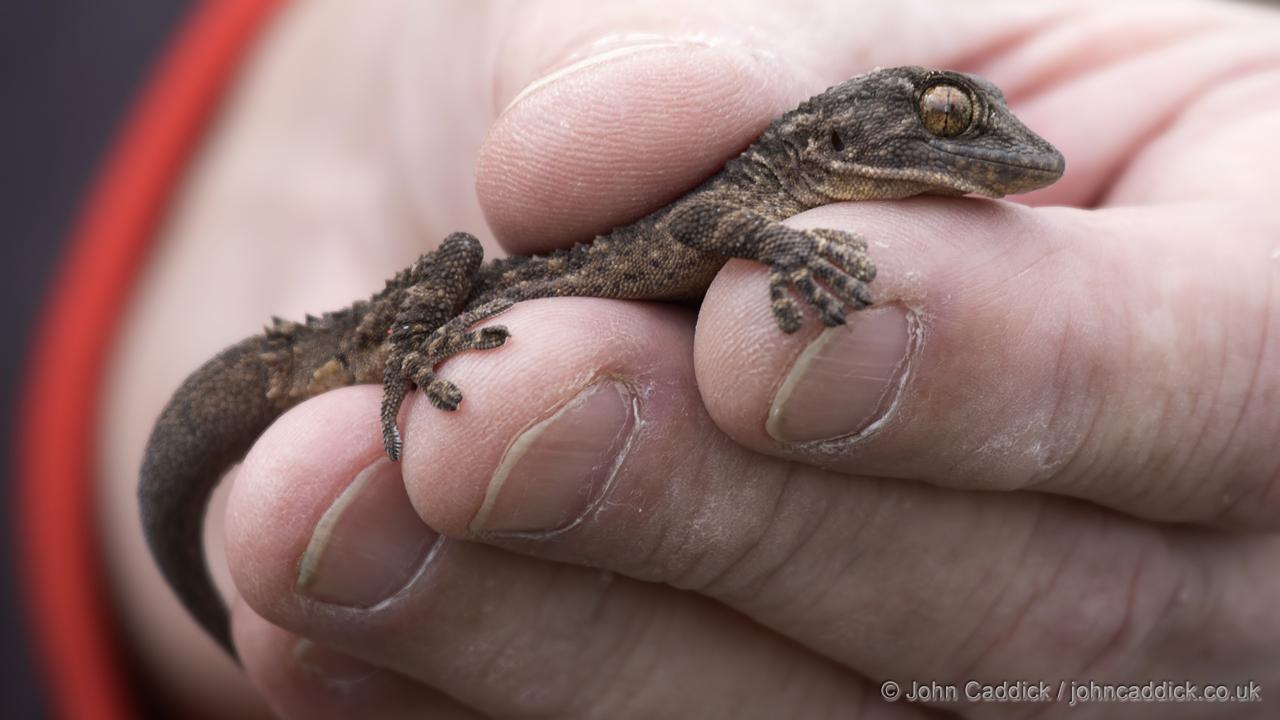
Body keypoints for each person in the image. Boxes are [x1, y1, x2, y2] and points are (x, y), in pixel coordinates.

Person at [24, 0, 1280, 717]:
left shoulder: (801, 201)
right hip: (396, 326)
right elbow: (687, 232)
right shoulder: (760, 191)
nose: (985, 144)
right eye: (948, 118)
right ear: (849, 128)